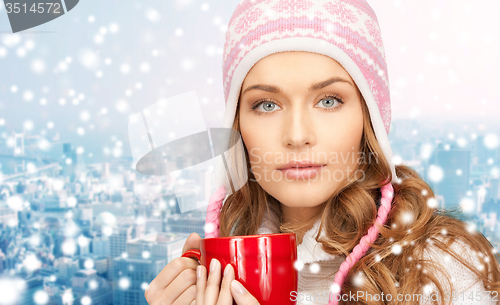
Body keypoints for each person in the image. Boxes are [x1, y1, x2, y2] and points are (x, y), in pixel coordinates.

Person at [145, 0, 500, 304]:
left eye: (328, 100)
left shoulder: (443, 268)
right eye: (267, 105)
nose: (297, 136)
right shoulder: (219, 270)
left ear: (369, 116)